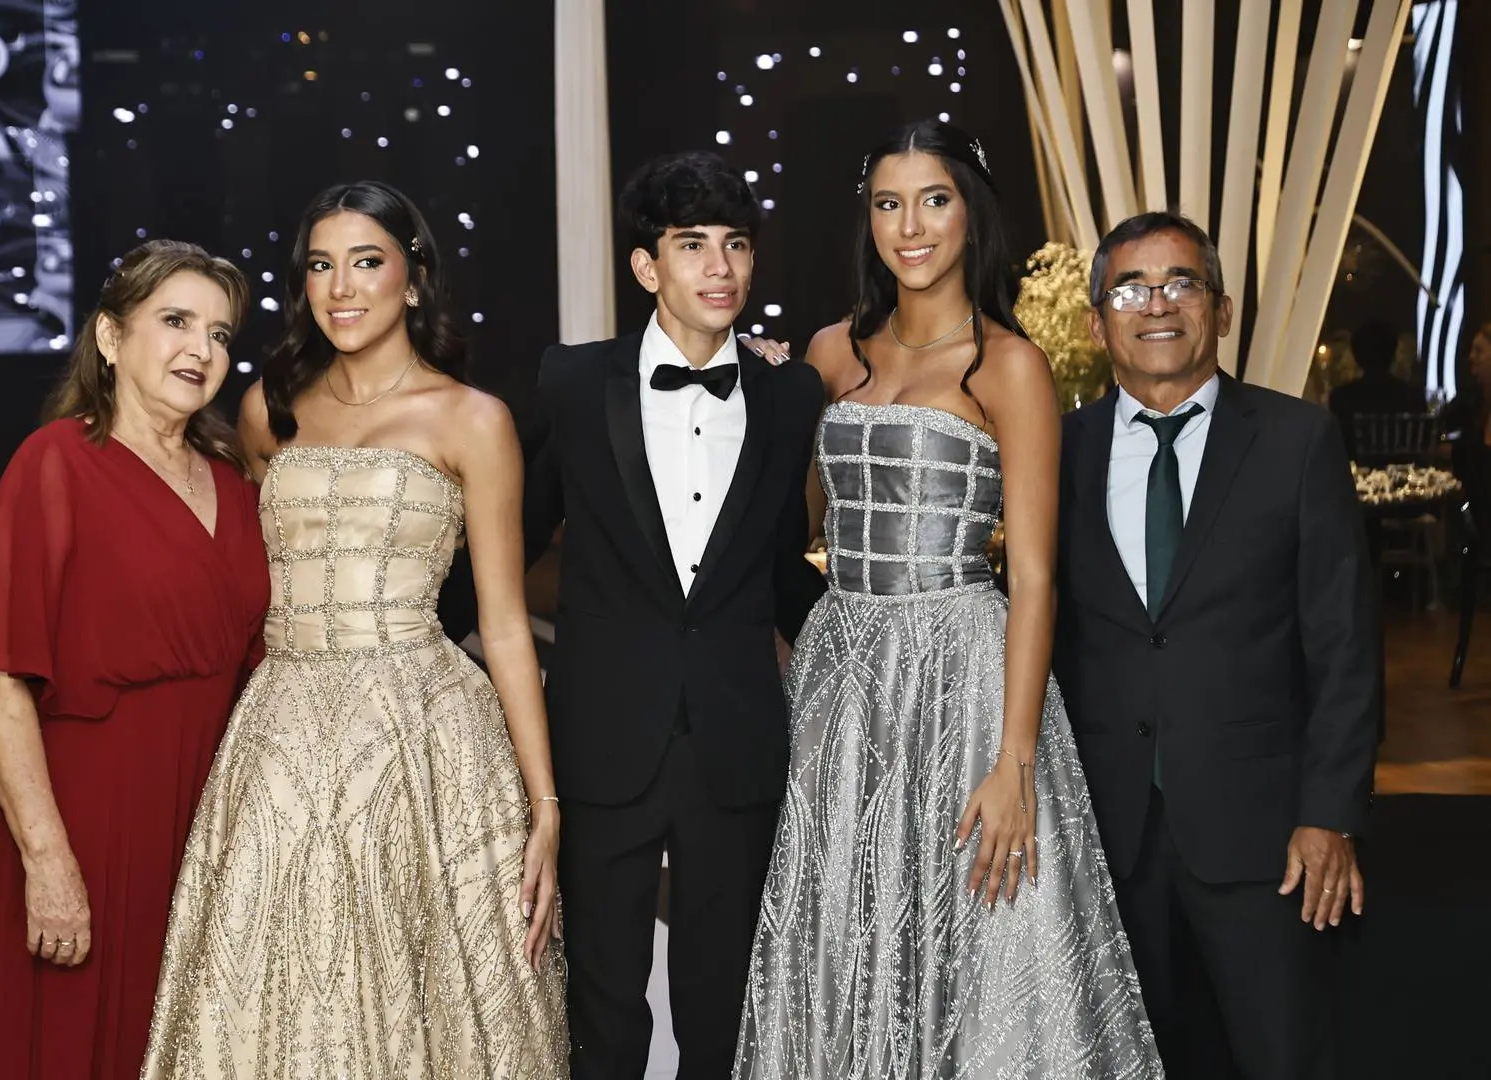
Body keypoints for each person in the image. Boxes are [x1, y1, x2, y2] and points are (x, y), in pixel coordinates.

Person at [732, 120, 1161, 1078]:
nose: (910, 226)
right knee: (843, 916)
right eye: (889, 204)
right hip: (843, 675)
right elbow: (784, 527)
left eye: (933, 200)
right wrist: (749, 391)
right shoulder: (830, 351)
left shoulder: (1010, 364)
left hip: (964, 672)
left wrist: (1015, 764)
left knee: (976, 920)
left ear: (971, 212)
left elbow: (1036, 577)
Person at [140, 181, 568, 1078]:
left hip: (425, 738)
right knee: (271, 991)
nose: (341, 287)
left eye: (367, 262)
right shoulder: (268, 409)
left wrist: (544, 803)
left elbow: (503, 626)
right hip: (282, 732)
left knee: (431, 996)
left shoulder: (473, 419)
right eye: (321, 265)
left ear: (414, 278)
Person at [442, 150, 827, 1079]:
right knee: (603, 1009)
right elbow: (506, 549)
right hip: (601, 739)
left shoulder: (789, 393)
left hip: (736, 739)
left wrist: (878, 652)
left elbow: (786, 570)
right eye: (693, 245)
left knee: (722, 1011)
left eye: (737, 244)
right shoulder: (573, 384)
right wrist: (417, 644)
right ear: (647, 267)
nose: (721, 267)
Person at [0, 240, 269, 1080]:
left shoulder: (234, 482)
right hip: (94, 815)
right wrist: (47, 863)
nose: (201, 350)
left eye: (220, 334)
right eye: (176, 321)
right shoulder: (57, 464)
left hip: (213, 818)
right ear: (112, 338)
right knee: (82, 1042)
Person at [1055, 210, 1381, 1079]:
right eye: (1131, 289)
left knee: (1283, 1056)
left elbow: (1345, 645)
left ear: (1222, 310)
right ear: (1096, 323)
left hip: (1265, 834)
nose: (1157, 304)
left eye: (1181, 283)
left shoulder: (1296, 440)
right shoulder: (1058, 451)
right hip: (1105, 832)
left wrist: (1330, 812)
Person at [1328, 320, 1427, 449]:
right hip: (1404, 462)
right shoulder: (1414, 396)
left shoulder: (1340, 398)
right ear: (1393, 354)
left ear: (1357, 357)